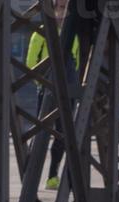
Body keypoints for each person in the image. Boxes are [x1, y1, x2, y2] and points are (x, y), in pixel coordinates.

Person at [26, 7, 83, 191]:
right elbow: (31, 62)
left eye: (65, 8)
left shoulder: (74, 34)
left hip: (68, 87)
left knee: (63, 133)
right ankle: (29, 173)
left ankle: (52, 176)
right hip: (47, 87)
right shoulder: (41, 32)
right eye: (58, 8)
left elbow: (78, 60)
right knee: (41, 130)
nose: (61, 12)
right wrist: (40, 83)